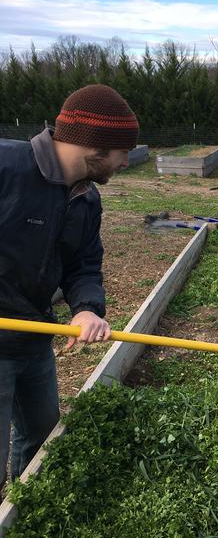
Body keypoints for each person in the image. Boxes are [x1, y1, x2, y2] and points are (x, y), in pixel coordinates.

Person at [0, 84, 139, 492]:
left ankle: (22, 519)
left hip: (35, 336)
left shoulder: (86, 198)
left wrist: (86, 308)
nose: (127, 161)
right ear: (96, 146)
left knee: (41, 440)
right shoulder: (7, 169)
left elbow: (83, 264)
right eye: (123, 151)